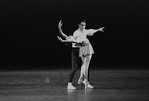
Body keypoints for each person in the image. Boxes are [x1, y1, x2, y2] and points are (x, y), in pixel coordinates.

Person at [58, 20, 104, 90]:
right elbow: (64, 35)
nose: (83, 26)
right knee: (75, 67)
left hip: (82, 51)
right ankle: (69, 84)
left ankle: (86, 82)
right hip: (75, 51)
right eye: (82, 25)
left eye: (84, 25)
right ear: (78, 25)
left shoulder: (84, 31)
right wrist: (59, 29)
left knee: (86, 67)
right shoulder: (75, 33)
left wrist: (98, 29)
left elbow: (91, 30)